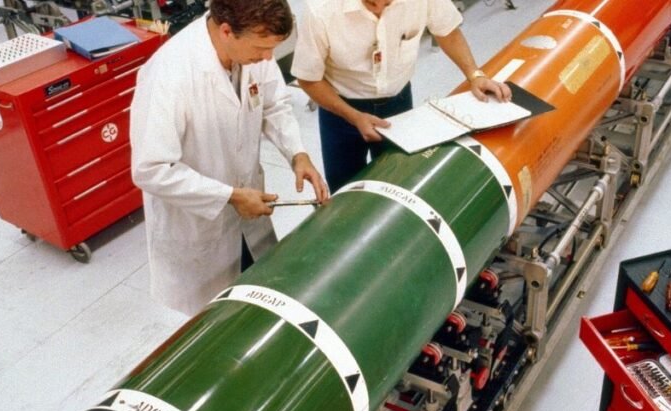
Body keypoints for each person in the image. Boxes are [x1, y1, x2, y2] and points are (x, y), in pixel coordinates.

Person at [130, 0, 328, 316]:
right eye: (262, 48)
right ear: (226, 31)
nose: (268, 58)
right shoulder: (169, 73)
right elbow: (151, 169)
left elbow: (275, 104)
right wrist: (230, 196)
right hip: (199, 228)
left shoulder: (253, 50)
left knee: (261, 298)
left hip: (248, 217)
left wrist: (297, 154)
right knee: (218, 321)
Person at [291, 0, 512, 193]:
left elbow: (447, 31)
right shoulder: (321, 10)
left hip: (397, 104)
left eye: (387, 3)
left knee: (400, 182)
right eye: (370, 3)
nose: (379, 8)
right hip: (340, 111)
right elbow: (308, 79)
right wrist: (353, 116)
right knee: (345, 190)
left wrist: (475, 75)